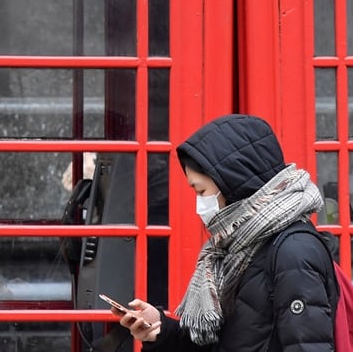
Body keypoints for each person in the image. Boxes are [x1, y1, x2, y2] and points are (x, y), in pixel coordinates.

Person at [112, 113, 337, 352]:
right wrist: (162, 332)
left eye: (201, 191)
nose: (200, 203)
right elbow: (224, 342)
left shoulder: (294, 252)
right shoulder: (239, 247)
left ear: (232, 183)